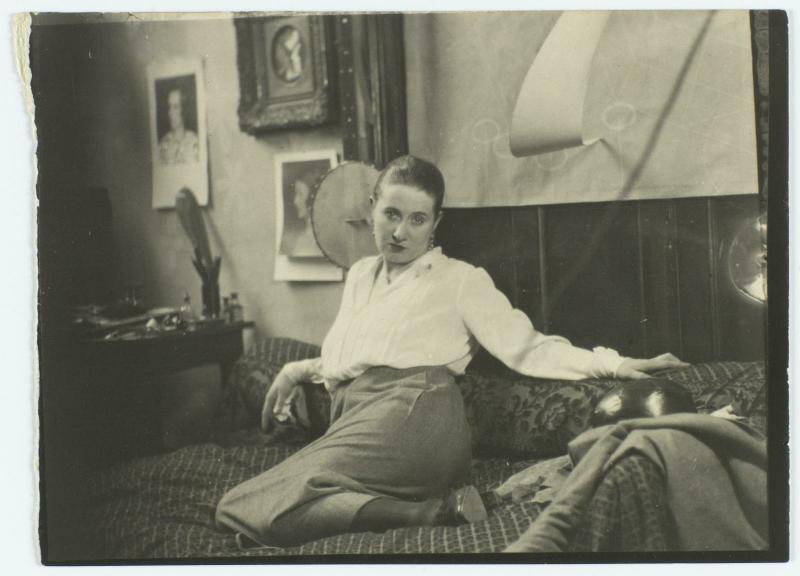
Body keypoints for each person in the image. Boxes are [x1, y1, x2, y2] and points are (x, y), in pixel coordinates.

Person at [215, 155, 687, 548]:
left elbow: (528, 348)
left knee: (243, 507)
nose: (400, 232)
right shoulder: (359, 275)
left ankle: (415, 510)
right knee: (246, 507)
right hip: (360, 416)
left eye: (417, 219)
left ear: (435, 224)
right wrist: (295, 370)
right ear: (372, 208)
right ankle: (430, 513)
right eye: (391, 214)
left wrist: (614, 363)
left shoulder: (460, 280)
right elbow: (352, 357)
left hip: (416, 411)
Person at [281, 176, 323, 257]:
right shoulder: (303, 238)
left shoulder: (315, 241)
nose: (295, 201)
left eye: (300, 194)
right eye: (296, 193)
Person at [159, 87, 199, 165]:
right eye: (169, 107)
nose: (170, 112)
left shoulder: (195, 142)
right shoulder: (162, 146)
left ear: (184, 109)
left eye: (175, 107)